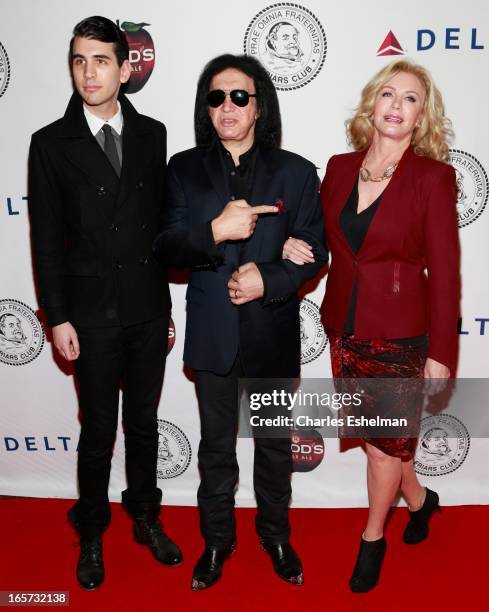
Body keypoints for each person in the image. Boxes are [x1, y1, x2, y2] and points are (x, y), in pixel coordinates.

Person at [282, 59, 460, 592]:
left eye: (410, 99)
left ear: (421, 116)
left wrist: (442, 351)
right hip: (345, 325)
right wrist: (293, 247)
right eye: (389, 94)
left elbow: (446, 271)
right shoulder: (339, 167)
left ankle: (372, 538)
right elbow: (321, 240)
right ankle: (422, 503)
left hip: (402, 333)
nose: (397, 106)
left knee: (384, 445)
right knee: (384, 438)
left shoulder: (433, 177)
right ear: (372, 104)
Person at [154, 53, 327, 590]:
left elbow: (315, 251)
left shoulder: (296, 172)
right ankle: (217, 540)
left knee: (275, 449)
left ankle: (275, 535)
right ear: (206, 108)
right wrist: (216, 231)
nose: (226, 106)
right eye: (215, 96)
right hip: (212, 336)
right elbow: (166, 247)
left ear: (258, 107)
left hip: (271, 333)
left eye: (239, 96)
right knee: (215, 449)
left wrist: (268, 280)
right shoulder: (182, 168)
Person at [29, 16, 181, 590]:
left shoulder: (153, 135)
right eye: (78, 60)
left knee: (142, 425)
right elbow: (45, 237)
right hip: (88, 315)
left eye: (99, 60)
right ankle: (91, 530)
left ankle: (144, 516)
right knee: (98, 430)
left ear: (125, 67)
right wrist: (56, 317)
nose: (88, 72)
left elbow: (164, 223)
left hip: (146, 307)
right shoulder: (49, 143)